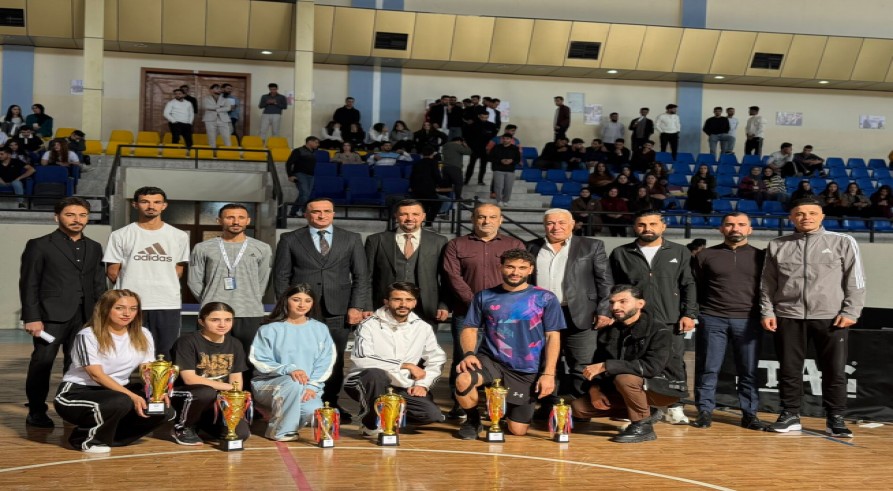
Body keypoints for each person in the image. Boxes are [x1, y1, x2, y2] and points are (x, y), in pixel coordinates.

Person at [760, 198, 865, 437]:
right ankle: (790, 415)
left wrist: (851, 311)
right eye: (799, 213)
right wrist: (767, 311)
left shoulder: (843, 241)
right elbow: (767, 283)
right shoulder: (777, 244)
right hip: (788, 315)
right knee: (789, 369)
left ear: (822, 216)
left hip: (831, 317)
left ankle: (835, 418)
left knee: (834, 370)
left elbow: (856, 279)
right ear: (791, 218)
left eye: (812, 213)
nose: (806, 217)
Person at [272, 197, 371, 419]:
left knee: (334, 359)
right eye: (316, 211)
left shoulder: (351, 238)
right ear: (306, 214)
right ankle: (301, 403)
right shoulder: (290, 239)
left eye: (327, 211)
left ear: (333, 213)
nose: (322, 215)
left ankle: (330, 403)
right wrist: (287, 308)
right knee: (300, 357)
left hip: (339, 310)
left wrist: (356, 306)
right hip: (302, 311)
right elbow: (281, 277)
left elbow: (361, 276)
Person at [454, 249, 565, 439]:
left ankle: (500, 408)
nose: (515, 272)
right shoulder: (484, 296)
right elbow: (470, 328)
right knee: (464, 379)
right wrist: (469, 354)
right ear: (501, 268)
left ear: (530, 269)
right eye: (510, 267)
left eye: (522, 268)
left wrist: (548, 373)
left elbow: (552, 336)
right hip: (492, 360)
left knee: (518, 430)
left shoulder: (545, 298)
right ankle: (472, 421)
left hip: (526, 368)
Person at [19, 197, 106, 428]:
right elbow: (29, 283)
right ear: (56, 217)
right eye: (70, 215)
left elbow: (99, 284)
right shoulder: (39, 245)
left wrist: (101, 317)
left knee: (77, 365)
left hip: (86, 316)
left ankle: (71, 409)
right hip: (50, 317)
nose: (77, 220)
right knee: (42, 363)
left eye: (82, 215)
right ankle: (36, 410)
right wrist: (32, 317)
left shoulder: (95, 247)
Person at [53, 290, 174, 453]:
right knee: (121, 401)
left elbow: (147, 368)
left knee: (163, 410)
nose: (127, 313)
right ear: (105, 308)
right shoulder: (87, 335)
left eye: (133, 308)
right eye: (119, 308)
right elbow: (96, 375)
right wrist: (132, 396)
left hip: (118, 392)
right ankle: (85, 440)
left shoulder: (143, 334)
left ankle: (111, 437)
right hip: (77, 393)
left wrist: (156, 391)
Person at [609, 210, 697, 425]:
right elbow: (613, 288)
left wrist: (689, 313)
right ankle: (635, 408)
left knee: (674, 362)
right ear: (634, 227)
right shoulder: (621, 253)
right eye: (641, 224)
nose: (647, 228)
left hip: (670, 318)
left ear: (663, 226)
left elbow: (688, 284)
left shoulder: (680, 251)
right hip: (633, 320)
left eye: (653, 224)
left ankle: (675, 407)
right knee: (632, 363)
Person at [441, 204, 525, 418]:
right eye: (481, 217)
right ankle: (461, 404)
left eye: (492, 217)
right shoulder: (456, 245)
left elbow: (520, 276)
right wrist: (478, 303)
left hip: (505, 316)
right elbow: (452, 277)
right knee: (464, 357)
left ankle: (495, 403)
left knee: (503, 359)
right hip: (467, 313)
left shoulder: (514, 244)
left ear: (500, 220)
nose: (487, 221)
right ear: (473, 219)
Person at [571, 285, 682, 443]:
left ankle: (643, 426)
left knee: (625, 378)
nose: (615, 307)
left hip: (663, 387)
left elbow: (651, 367)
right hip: (627, 387)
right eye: (612, 302)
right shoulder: (609, 331)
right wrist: (594, 390)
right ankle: (649, 412)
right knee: (579, 408)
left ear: (640, 304)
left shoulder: (659, 330)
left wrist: (607, 366)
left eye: (623, 301)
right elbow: (597, 365)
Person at [691, 213, 768, 430]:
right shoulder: (705, 255)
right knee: (708, 368)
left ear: (750, 229)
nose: (736, 228)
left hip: (748, 321)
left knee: (748, 370)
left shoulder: (761, 256)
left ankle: (750, 414)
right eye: (730, 224)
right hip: (712, 318)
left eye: (741, 224)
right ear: (721, 229)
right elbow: (696, 287)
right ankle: (705, 412)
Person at [526, 209, 613, 399]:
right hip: (541, 315)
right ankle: (550, 406)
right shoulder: (531, 247)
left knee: (582, 364)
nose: (556, 227)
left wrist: (604, 310)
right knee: (547, 363)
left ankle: (580, 406)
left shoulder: (592, 245)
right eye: (550, 223)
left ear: (572, 224)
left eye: (561, 222)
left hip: (582, 314)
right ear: (544, 225)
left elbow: (605, 281)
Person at [345, 282, 447, 437]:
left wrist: (423, 385)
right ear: (386, 302)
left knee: (431, 415)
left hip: (400, 384)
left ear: (415, 303)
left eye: (408, 300)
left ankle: (389, 414)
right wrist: (405, 365)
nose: (403, 304)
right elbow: (362, 358)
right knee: (375, 375)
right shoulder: (368, 325)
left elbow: (437, 358)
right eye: (397, 299)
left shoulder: (423, 327)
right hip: (364, 381)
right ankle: (371, 424)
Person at [187, 203, 271, 389]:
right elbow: (194, 281)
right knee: (210, 361)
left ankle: (245, 399)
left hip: (249, 312)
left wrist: (250, 298)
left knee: (249, 360)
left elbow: (262, 281)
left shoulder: (262, 248)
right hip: (214, 315)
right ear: (219, 220)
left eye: (241, 217)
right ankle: (210, 398)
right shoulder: (202, 248)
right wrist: (211, 304)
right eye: (230, 217)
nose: (236, 221)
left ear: (248, 220)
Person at [104, 187, 190, 358]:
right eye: (145, 202)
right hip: (130, 304)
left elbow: (178, 270)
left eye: (157, 202)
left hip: (166, 303)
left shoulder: (179, 236)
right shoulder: (120, 235)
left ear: (164, 205)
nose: (151, 206)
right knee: (127, 352)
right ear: (135, 205)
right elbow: (113, 272)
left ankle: (160, 378)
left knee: (165, 354)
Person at [250, 284, 336, 441]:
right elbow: (259, 360)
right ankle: (279, 431)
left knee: (313, 412)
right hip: (269, 385)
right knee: (292, 382)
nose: (302, 305)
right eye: (296, 300)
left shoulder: (320, 329)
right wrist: (289, 369)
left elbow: (326, 361)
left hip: (305, 388)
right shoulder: (269, 329)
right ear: (286, 300)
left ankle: (281, 414)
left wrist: (312, 386)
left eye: (307, 301)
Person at [170, 302, 249, 445]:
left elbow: (236, 380)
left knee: (240, 434)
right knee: (205, 392)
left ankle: (201, 422)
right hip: (187, 394)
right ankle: (183, 428)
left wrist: (233, 398)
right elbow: (189, 379)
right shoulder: (187, 341)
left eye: (228, 320)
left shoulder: (235, 344)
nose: (222, 324)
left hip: (218, 398)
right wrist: (230, 388)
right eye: (215, 320)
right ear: (201, 321)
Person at [365, 199, 449, 325]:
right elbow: (366, 277)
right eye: (404, 214)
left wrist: (444, 305)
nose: (410, 218)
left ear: (423, 216)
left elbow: (446, 278)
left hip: (426, 308)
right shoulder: (376, 240)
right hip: (385, 306)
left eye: (415, 214)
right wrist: (366, 305)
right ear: (396, 216)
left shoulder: (439, 241)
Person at [285, 136, 320, 217]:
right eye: (316, 142)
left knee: (304, 194)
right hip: (300, 174)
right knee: (305, 193)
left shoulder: (314, 152)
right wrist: (290, 175)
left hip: (311, 175)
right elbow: (289, 163)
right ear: (309, 142)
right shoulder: (298, 151)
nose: (317, 144)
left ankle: (293, 212)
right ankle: (304, 211)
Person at [488, 133, 521, 207]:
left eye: (507, 139)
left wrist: (511, 161)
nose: (505, 140)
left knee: (508, 187)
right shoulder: (496, 147)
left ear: (511, 140)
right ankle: (499, 200)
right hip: (498, 169)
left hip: (510, 170)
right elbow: (490, 158)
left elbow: (518, 159)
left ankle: (506, 200)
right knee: (498, 186)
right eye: (504, 138)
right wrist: (500, 161)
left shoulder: (515, 148)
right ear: (502, 139)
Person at [202, 84, 233, 149]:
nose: (219, 90)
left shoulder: (225, 98)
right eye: (217, 88)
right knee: (211, 137)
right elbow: (207, 107)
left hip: (223, 119)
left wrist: (216, 109)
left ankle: (229, 151)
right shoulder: (206, 98)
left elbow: (228, 108)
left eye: (219, 89)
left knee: (226, 137)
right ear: (211, 90)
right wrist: (220, 106)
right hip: (210, 120)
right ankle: (212, 152)